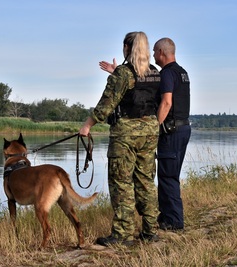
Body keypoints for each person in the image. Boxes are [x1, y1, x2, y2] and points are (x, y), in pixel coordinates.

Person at [79, 31, 161, 246]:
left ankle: (123, 235)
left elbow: (106, 104)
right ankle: (151, 230)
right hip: (150, 131)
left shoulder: (123, 73)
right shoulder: (155, 72)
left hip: (126, 133)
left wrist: (87, 126)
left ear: (127, 47)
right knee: (146, 181)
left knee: (122, 182)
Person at [153, 37, 191, 231]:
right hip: (183, 128)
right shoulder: (182, 72)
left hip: (172, 131)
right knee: (171, 175)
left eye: (154, 52)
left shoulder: (167, 73)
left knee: (167, 177)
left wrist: (154, 127)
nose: (153, 55)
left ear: (161, 52)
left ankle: (174, 222)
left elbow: (166, 102)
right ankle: (167, 216)